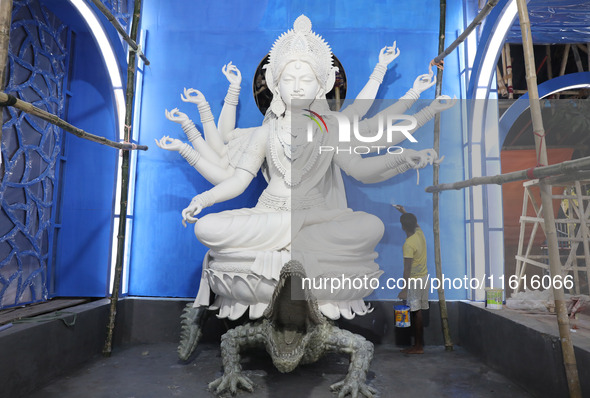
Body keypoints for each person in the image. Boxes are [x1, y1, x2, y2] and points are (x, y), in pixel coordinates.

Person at [173, 15, 453, 322]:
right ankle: (289, 255)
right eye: (288, 79)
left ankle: (285, 260)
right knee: (207, 227)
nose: (296, 87)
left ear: (322, 84)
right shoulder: (266, 132)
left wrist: (403, 158)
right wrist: (204, 200)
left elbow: (360, 169)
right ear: (275, 83)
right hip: (267, 216)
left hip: (317, 217)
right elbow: (239, 181)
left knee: (370, 226)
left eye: (305, 79)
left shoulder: (328, 129)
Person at [394, 204, 429, 354]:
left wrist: (404, 289)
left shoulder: (408, 244)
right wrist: (404, 212)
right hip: (424, 278)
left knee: (416, 313)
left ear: (402, 227)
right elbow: (416, 224)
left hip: (414, 281)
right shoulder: (419, 234)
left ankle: (418, 347)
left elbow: (407, 269)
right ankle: (418, 345)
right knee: (418, 311)